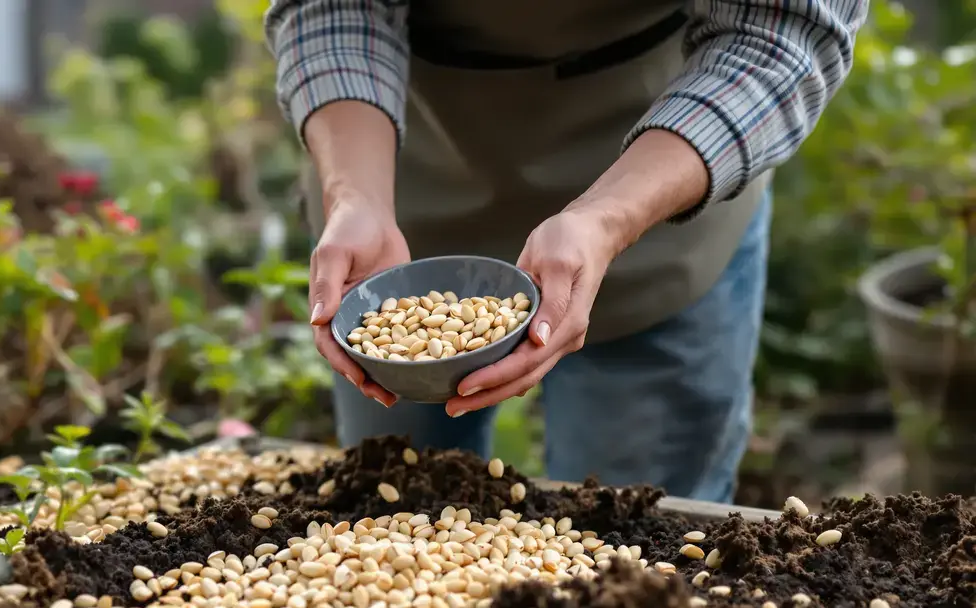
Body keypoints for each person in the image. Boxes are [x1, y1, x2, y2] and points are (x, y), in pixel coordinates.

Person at [263, 0, 867, 503]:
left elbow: (781, 33)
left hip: (664, 169)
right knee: (390, 504)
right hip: (403, 174)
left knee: (631, 534)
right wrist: (355, 197)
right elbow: (334, 8)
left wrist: (608, 218)